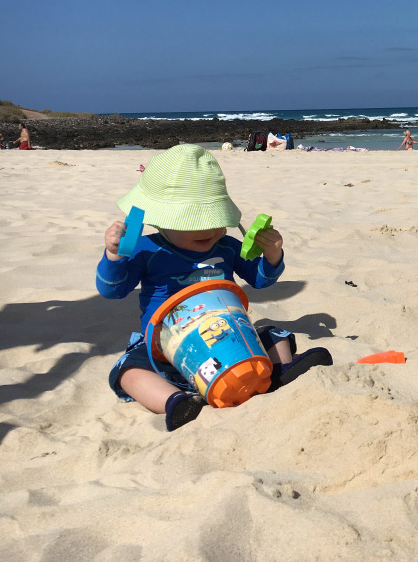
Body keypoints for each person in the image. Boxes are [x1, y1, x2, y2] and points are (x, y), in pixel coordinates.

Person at [96, 144, 332, 431]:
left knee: (273, 334)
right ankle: (176, 401)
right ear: (161, 219)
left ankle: (279, 373)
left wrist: (272, 257)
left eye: (216, 221)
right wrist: (114, 256)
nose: (208, 229)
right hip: (166, 349)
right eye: (193, 222)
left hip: (229, 336)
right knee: (129, 370)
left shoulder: (228, 247)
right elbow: (113, 290)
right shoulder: (146, 251)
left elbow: (259, 280)